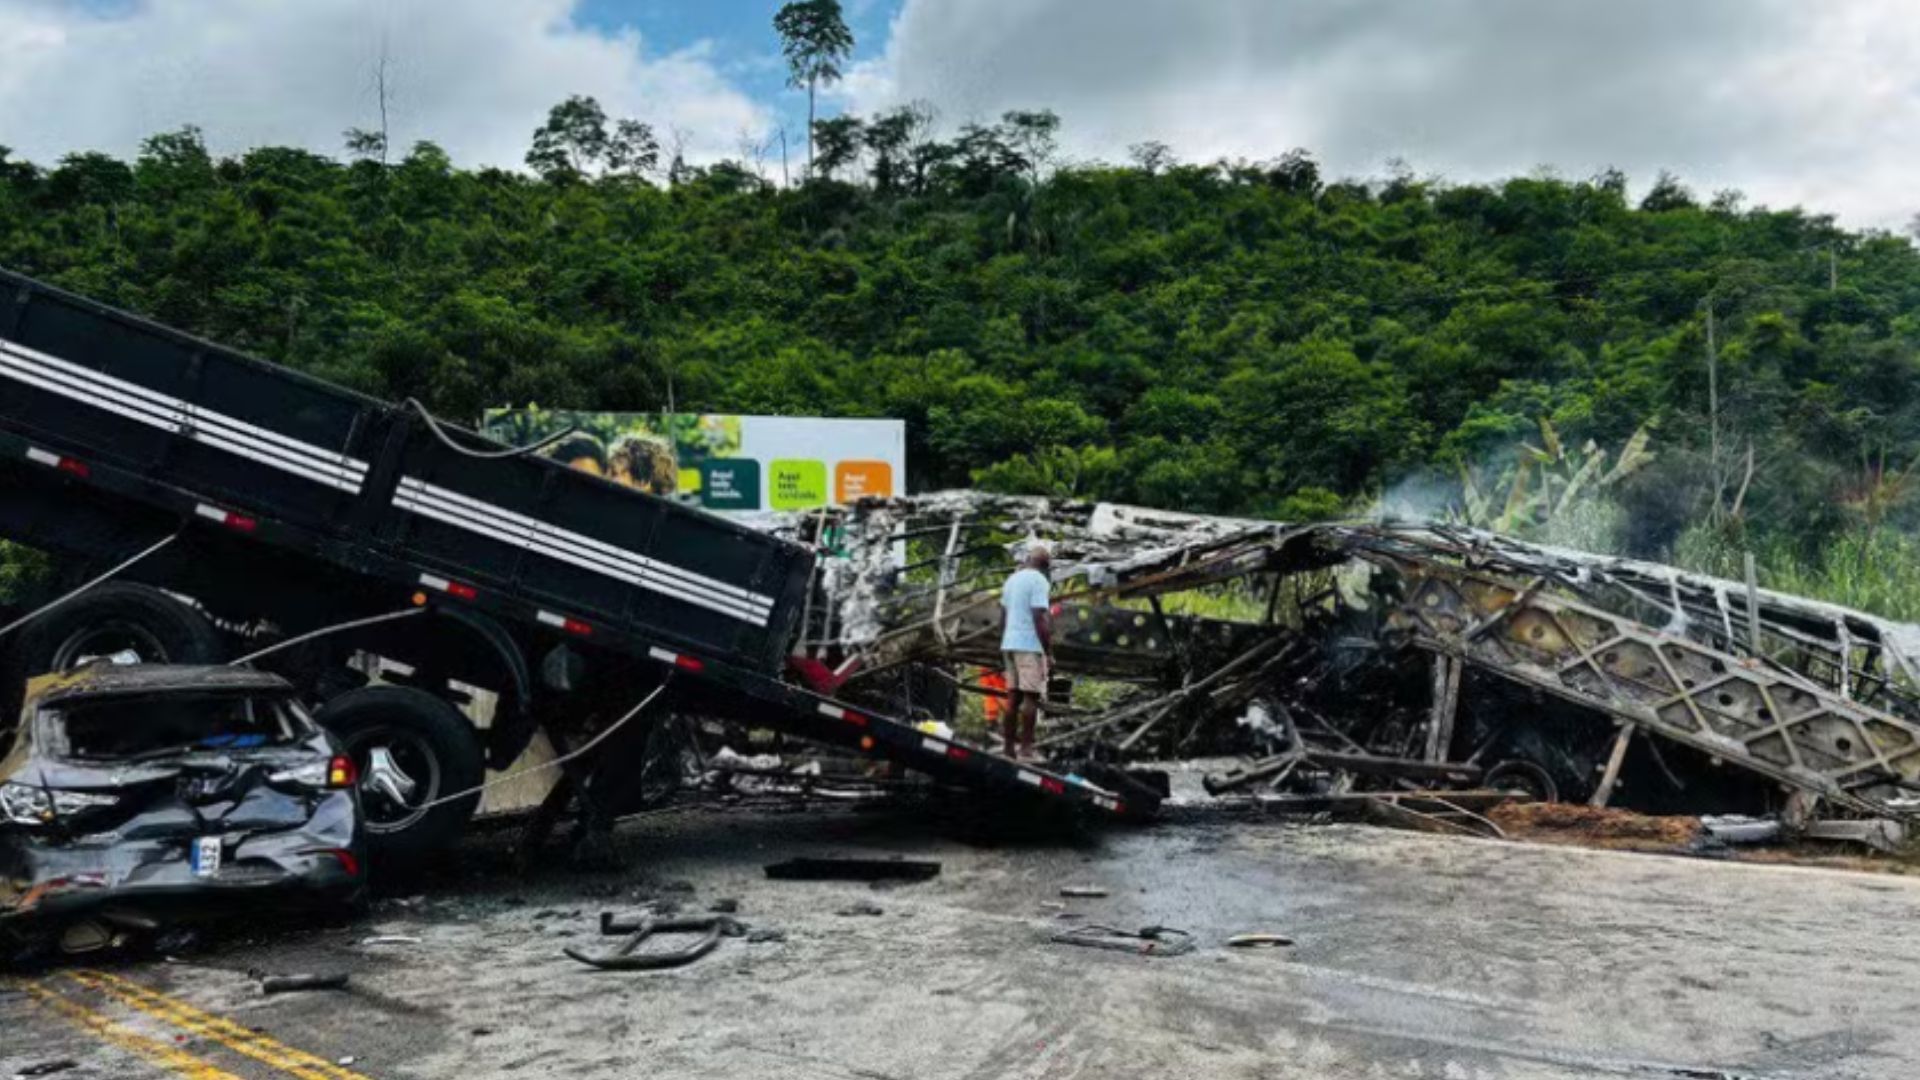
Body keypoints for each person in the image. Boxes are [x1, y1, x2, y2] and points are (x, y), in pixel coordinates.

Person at [997, 544, 1053, 760]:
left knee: (1013, 698)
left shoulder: (1012, 580)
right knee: (1031, 698)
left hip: (1009, 643)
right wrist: (1047, 651)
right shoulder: (1039, 581)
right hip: (1029, 644)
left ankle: (1008, 749)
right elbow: (1039, 617)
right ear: (1044, 566)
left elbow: (1002, 616)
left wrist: (1003, 642)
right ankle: (1027, 749)